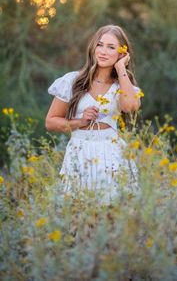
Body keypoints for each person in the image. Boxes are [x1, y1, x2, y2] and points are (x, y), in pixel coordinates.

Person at [45, 24, 142, 203]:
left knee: (112, 216)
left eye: (111, 47)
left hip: (112, 153)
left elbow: (130, 107)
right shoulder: (72, 81)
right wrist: (79, 122)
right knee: (79, 214)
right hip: (80, 151)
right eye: (100, 44)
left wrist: (121, 69)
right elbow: (51, 122)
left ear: (122, 53)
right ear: (93, 47)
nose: (103, 51)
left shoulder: (123, 85)